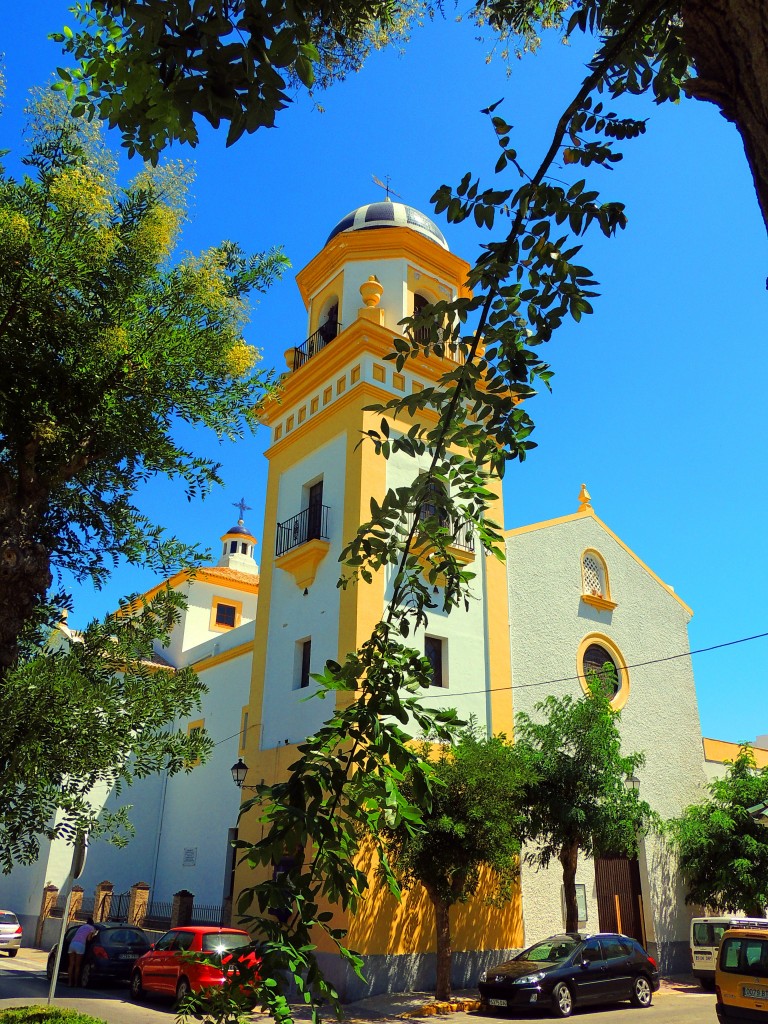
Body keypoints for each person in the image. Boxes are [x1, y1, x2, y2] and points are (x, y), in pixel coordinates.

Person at [67, 917, 97, 986]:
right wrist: (94, 935)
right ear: (92, 923)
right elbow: (89, 939)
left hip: (72, 943)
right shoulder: (92, 928)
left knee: (71, 964)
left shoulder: (81, 927)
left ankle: (69, 982)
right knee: (77, 966)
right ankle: (75, 983)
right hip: (80, 945)